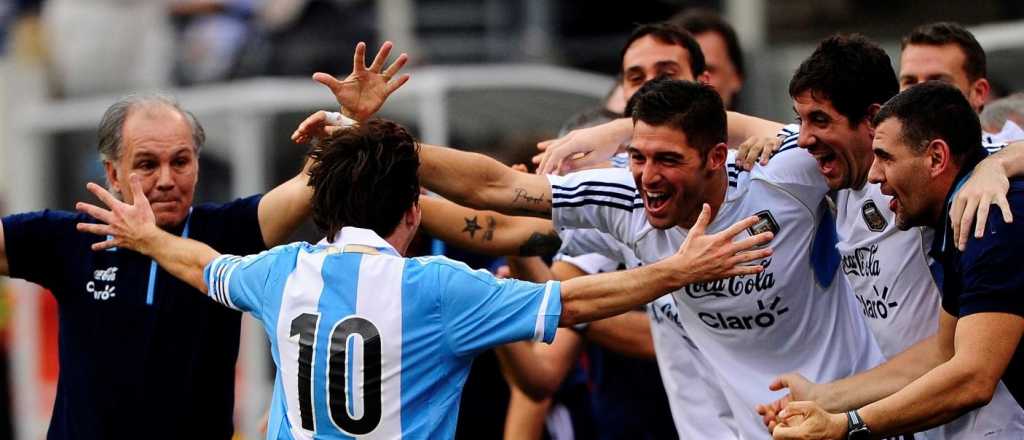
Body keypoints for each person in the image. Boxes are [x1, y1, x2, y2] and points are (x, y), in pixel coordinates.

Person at [74, 117, 773, 438]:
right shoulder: (437, 288)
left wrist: (145, 235)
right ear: (413, 213)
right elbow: (576, 299)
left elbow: (202, 267)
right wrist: (676, 269)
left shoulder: (281, 272)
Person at [388, 77, 885, 439]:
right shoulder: (623, 197)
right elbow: (498, 189)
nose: (647, 176)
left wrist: (967, 178)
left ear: (717, 156)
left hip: (853, 414)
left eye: (668, 160)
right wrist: (370, 143)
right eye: (639, 157)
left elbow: (873, 145)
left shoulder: (785, 174)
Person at [0, 41, 408, 439]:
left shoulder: (227, 230)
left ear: (197, 164)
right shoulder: (71, 237)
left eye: (180, 162)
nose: (165, 180)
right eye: (146, 164)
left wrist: (349, 117)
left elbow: (309, 184)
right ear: (112, 174)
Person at [745, 33, 1024, 440]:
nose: (877, 176)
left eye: (885, 159)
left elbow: (973, 377)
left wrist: (848, 425)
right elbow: (941, 351)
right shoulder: (942, 213)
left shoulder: (990, 209)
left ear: (936, 157)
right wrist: (825, 398)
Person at [898, 21, 1022, 145]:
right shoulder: (881, 158)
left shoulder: (1009, 156)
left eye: (936, 81)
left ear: (978, 93)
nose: (918, 93)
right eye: (910, 82)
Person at [670, 8, 745, 109]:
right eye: (678, 71)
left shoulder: (769, 124)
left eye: (707, 70)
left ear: (736, 77)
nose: (693, 81)